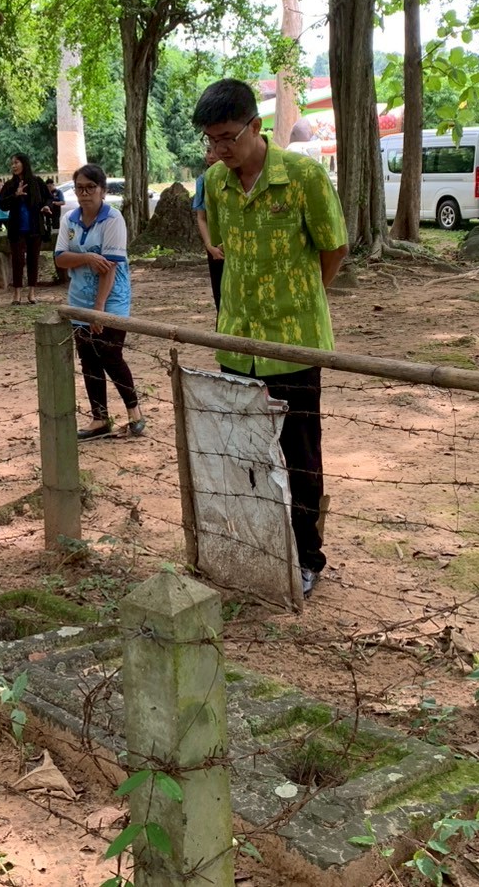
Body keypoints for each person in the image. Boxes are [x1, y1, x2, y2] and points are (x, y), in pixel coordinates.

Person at [197, 79, 348, 599]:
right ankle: (258, 546)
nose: (220, 149)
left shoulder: (303, 177)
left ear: (255, 127)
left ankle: (307, 557)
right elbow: (225, 251)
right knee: (245, 455)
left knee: (300, 457)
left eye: (228, 137)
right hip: (237, 343)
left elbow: (334, 247)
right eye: (211, 140)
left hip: (294, 345)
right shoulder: (215, 183)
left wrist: (304, 299)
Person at [54, 164, 143, 440]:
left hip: (111, 300)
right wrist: (87, 258)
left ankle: (135, 413)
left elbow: (110, 267)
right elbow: (60, 258)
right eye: (79, 188)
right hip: (79, 299)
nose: (84, 193)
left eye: (91, 187)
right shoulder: (69, 220)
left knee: (110, 355)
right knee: (88, 358)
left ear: (102, 190)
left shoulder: (113, 219)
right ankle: (99, 418)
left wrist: (99, 310)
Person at [0, 152, 47, 305]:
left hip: (35, 227)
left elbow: (48, 198)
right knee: (18, 261)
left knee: (33, 259)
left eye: (16, 162)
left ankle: (32, 292)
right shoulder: (9, 185)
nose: (13, 166)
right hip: (17, 228)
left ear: (24, 163)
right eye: (12, 163)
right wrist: (16, 195)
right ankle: (17, 293)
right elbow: (2, 204)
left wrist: (46, 206)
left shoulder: (37, 182)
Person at [193, 143, 225, 313]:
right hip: (216, 248)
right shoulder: (203, 181)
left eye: (215, 150)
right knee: (221, 298)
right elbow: (201, 217)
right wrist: (209, 246)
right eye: (208, 151)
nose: (211, 156)